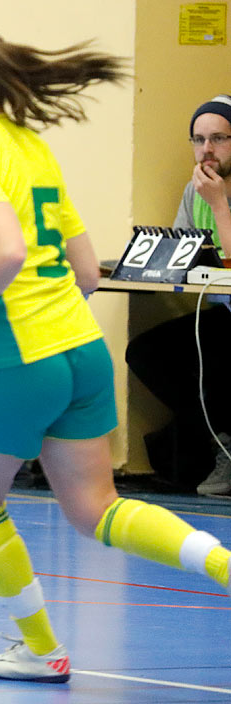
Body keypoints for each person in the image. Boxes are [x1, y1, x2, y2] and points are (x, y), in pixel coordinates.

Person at [0, 27, 230, 683]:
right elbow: (86, 270)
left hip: (9, 356)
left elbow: (5, 250)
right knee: (98, 510)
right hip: (81, 350)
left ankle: (41, 650)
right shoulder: (34, 149)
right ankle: (224, 565)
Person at [124, 95, 231, 494]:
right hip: (221, 311)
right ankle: (218, 439)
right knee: (147, 353)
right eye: (198, 139)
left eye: (219, 138)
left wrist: (220, 205)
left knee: (217, 359)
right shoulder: (194, 191)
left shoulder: (212, 194)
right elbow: (182, 254)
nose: (207, 150)